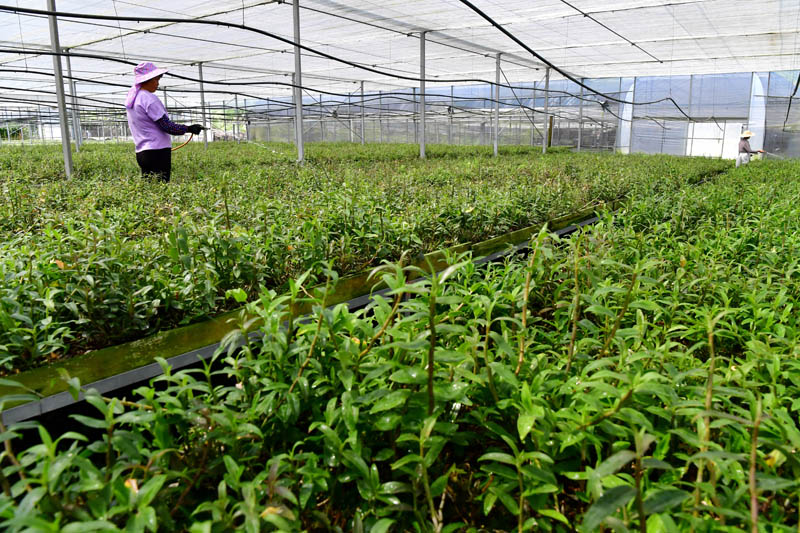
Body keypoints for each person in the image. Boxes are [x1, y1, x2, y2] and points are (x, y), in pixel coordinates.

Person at [125, 62, 204, 182]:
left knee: (149, 187)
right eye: (156, 79)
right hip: (157, 152)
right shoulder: (149, 99)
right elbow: (167, 126)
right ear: (147, 80)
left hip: (142, 153)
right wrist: (189, 128)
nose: (158, 83)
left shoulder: (133, 98)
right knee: (161, 186)